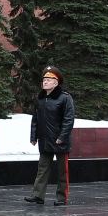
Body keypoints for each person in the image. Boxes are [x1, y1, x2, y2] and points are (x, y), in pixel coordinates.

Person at [24, 66, 75, 206]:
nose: (45, 82)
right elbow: (36, 119)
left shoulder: (65, 97)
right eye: (44, 79)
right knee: (42, 168)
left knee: (62, 172)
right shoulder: (40, 98)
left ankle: (61, 198)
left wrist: (62, 137)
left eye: (48, 79)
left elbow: (69, 119)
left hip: (60, 141)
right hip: (45, 140)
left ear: (56, 83)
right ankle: (37, 195)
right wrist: (33, 136)